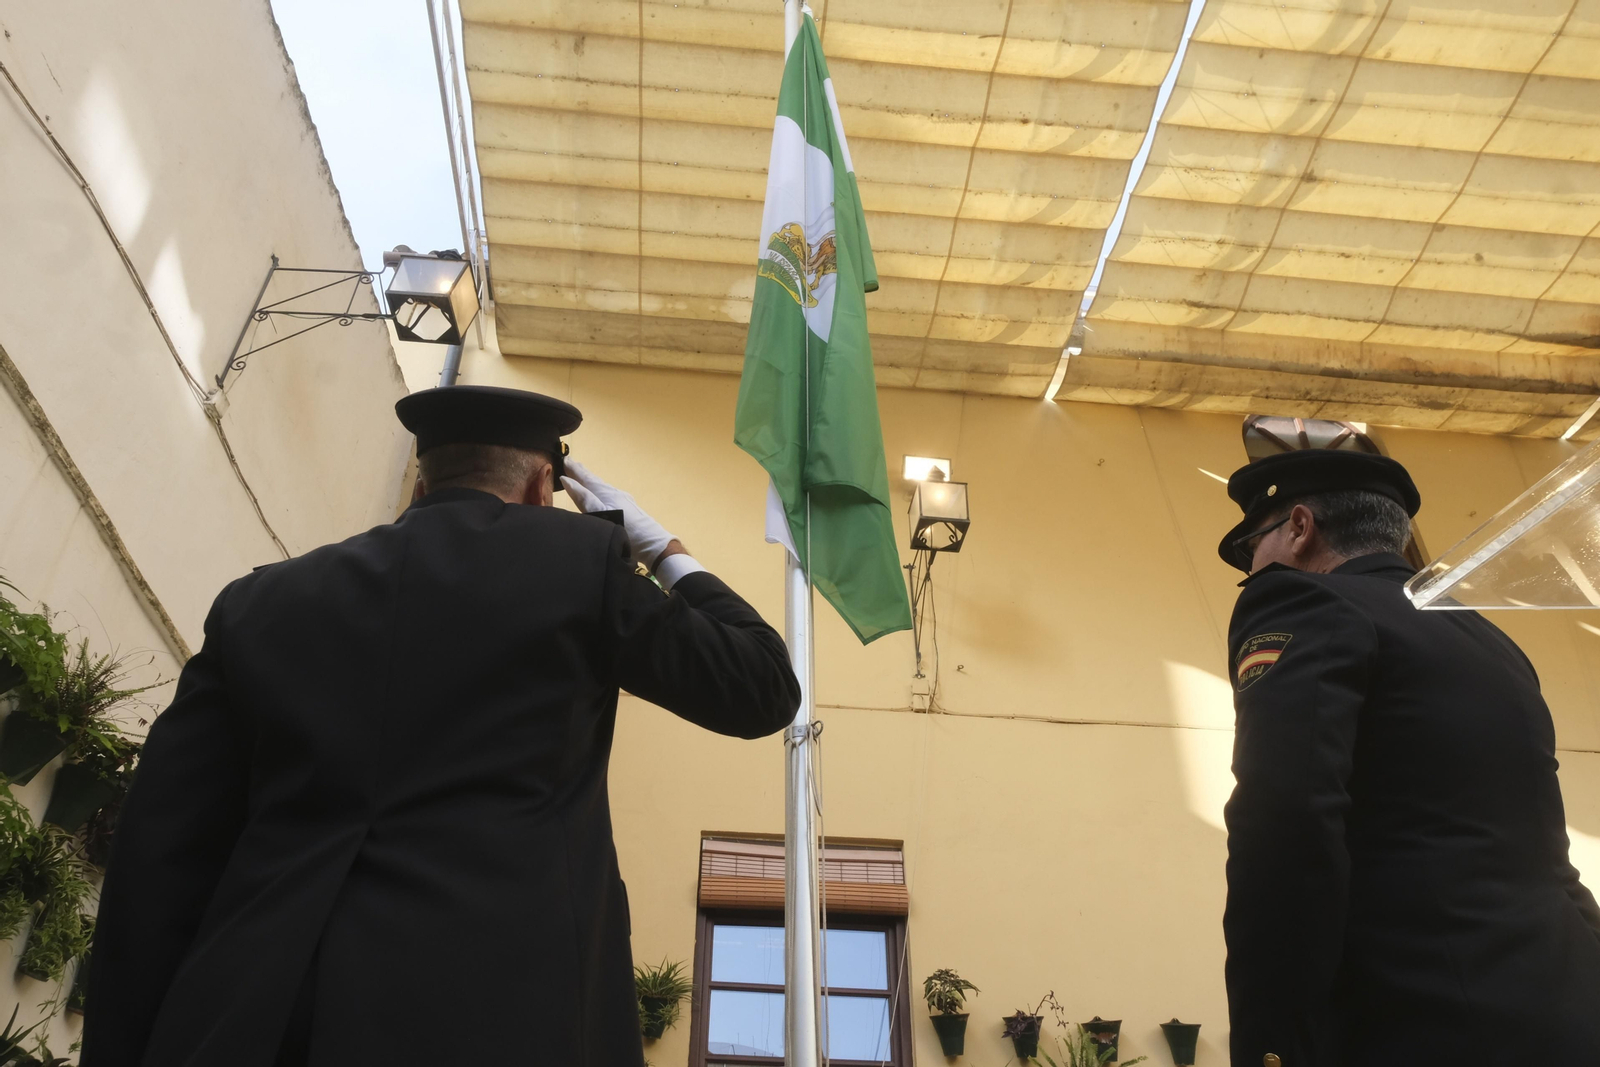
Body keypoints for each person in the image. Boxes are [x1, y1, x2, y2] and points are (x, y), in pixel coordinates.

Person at [81, 385, 800, 1067]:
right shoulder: (578, 566)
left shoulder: (256, 603)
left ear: (421, 487)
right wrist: (661, 548)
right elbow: (762, 686)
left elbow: (161, 854)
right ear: (539, 489)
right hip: (502, 1014)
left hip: (257, 1013)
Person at [1216, 447, 1600, 1067]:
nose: (1251, 569)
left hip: (1419, 1022)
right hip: (1563, 1008)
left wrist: (1274, 1046)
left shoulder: (1305, 605)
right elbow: (1547, 850)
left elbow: (1285, 823)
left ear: (1298, 526)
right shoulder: (1489, 640)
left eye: (1248, 549)